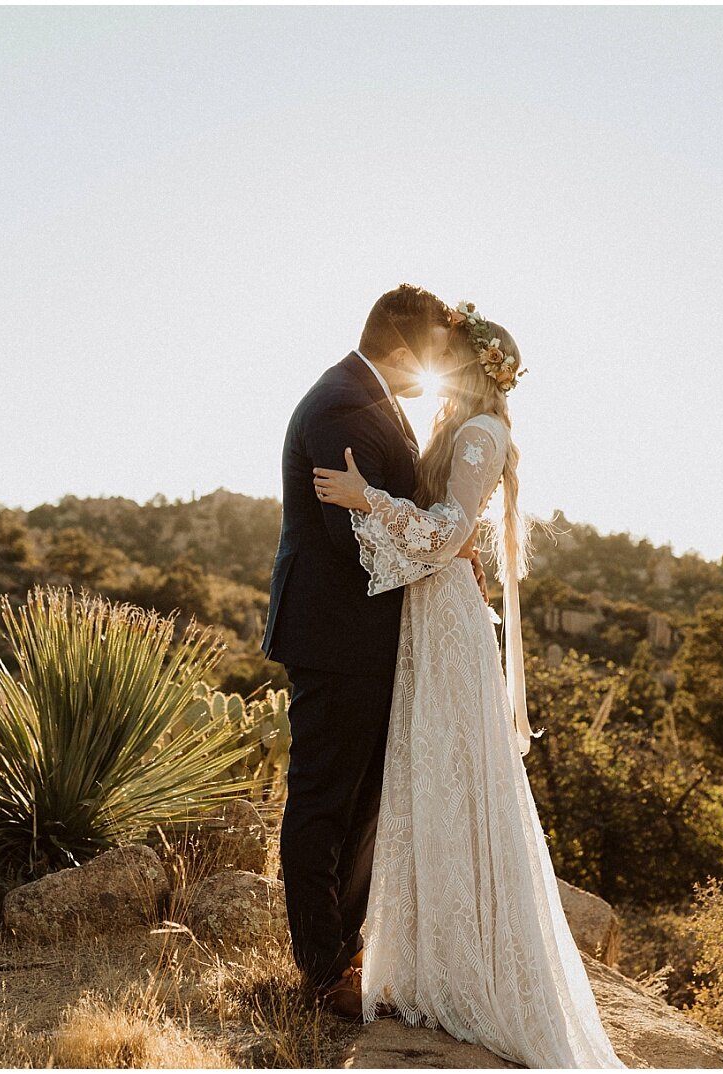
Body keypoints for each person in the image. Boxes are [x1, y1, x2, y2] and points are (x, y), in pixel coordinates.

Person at [312, 301, 626, 1067]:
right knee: (426, 774)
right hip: (429, 610)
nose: (438, 358)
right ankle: (422, 960)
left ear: (476, 368)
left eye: (450, 352)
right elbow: (445, 531)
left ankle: (470, 969)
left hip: (447, 622)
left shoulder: (485, 435)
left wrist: (368, 501)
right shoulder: (457, 430)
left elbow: (449, 533)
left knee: (454, 774)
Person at [260, 283, 483, 1019]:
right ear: (401, 347)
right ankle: (322, 970)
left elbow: (389, 524)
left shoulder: (372, 398)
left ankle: (346, 949)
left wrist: (446, 540)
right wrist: (443, 547)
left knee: (362, 806)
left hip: (371, 638)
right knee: (325, 802)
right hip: (336, 637)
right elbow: (350, 543)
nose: (438, 371)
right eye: (434, 354)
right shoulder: (339, 408)